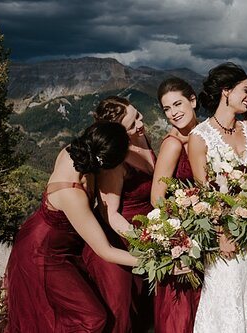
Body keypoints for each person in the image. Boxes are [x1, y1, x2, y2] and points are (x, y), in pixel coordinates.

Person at [4, 122, 140, 332]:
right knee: (92, 318)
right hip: (42, 254)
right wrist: (151, 260)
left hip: (63, 248)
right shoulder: (72, 193)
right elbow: (106, 251)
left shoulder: (78, 153)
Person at [188, 62, 247, 333]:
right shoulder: (200, 138)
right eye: (245, 90)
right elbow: (204, 194)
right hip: (223, 239)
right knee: (224, 306)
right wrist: (221, 233)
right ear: (226, 92)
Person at [84, 96, 154, 332]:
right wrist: (140, 242)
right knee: (122, 311)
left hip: (150, 230)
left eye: (138, 114)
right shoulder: (114, 163)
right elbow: (110, 215)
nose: (141, 122)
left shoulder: (141, 136)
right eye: (133, 123)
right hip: (122, 239)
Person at [150, 77, 202, 332]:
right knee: (180, 315)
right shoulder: (172, 144)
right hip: (182, 236)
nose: (173, 113)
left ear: (193, 101)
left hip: (206, 232)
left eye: (178, 104)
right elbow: (156, 198)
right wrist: (181, 231)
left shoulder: (204, 135)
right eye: (167, 109)